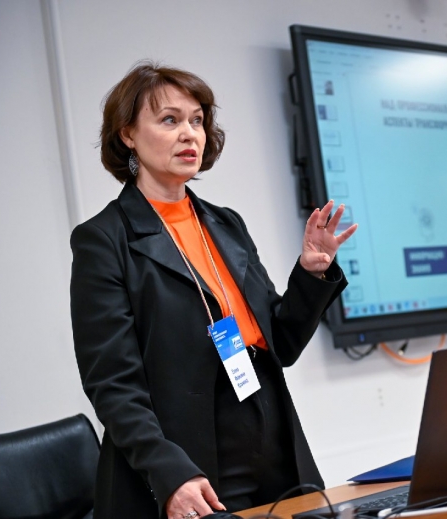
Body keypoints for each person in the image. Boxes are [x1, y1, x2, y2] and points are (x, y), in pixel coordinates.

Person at [70, 61, 357, 519]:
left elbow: (281, 343)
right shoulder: (104, 239)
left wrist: (311, 273)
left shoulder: (225, 223)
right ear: (128, 134)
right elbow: (113, 384)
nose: (190, 134)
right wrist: (169, 473)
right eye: (169, 120)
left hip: (270, 435)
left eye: (197, 120)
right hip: (187, 456)